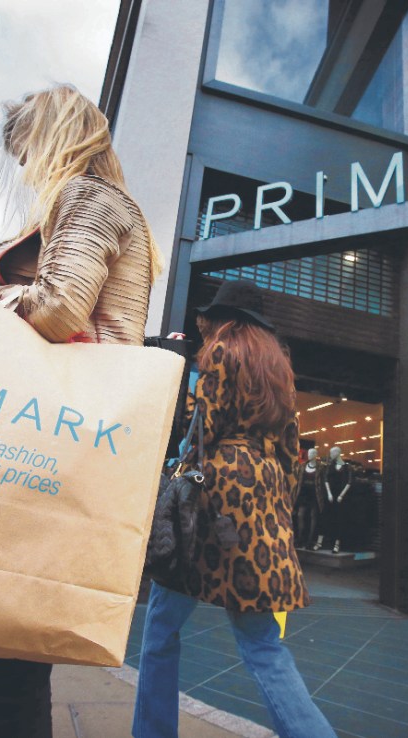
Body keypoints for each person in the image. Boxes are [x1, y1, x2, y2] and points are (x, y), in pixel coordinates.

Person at [0, 83, 162, 737]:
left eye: (24, 146)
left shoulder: (86, 196)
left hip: (43, 448)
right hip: (61, 444)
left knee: (3, 660)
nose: (20, 164)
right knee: (8, 657)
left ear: (51, 135)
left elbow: (58, 309)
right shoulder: (100, 202)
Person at [133, 279, 335, 738]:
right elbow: (290, 455)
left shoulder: (221, 352)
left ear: (223, 318)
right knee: (263, 644)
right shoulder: (280, 368)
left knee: (161, 630)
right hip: (260, 509)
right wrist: (275, 507)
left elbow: (202, 427)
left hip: (211, 500)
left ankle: (152, 732)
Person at [313, 445, 350, 553]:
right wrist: (329, 493)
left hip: (340, 497)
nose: (330, 455)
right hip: (330, 496)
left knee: (338, 520)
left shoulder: (347, 467)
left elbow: (349, 482)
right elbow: (326, 480)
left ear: (338, 453)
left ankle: (336, 545)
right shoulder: (330, 466)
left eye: (332, 453)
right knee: (324, 518)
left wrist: (341, 495)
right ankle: (319, 542)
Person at [293, 447, 321, 548]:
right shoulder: (302, 466)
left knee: (313, 517)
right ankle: (300, 538)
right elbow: (297, 480)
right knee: (300, 515)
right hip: (303, 493)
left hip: (315, 494)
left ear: (316, 455)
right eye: (309, 453)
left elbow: (321, 482)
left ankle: (311, 540)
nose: (309, 455)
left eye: (312, 453)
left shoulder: (320, 467)